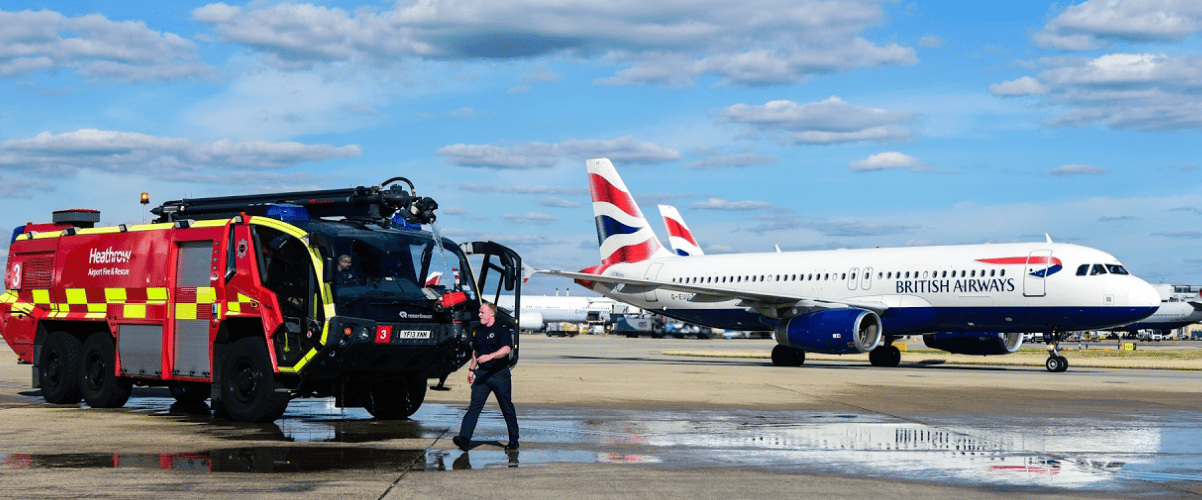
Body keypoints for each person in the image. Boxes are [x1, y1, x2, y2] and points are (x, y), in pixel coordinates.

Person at [453, 301, 519, 452]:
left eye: (482, 312)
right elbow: (476, 352)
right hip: (482, 375)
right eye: (479, 312)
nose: (479, 315)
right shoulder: (479, 331)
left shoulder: (502, 330)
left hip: (499, 374)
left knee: (506, 407)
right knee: (474, 407)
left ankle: (514, 440)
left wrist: (490, 357)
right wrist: (471, 369)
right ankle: (464, 439)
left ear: (491, 314)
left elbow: (506, 349)